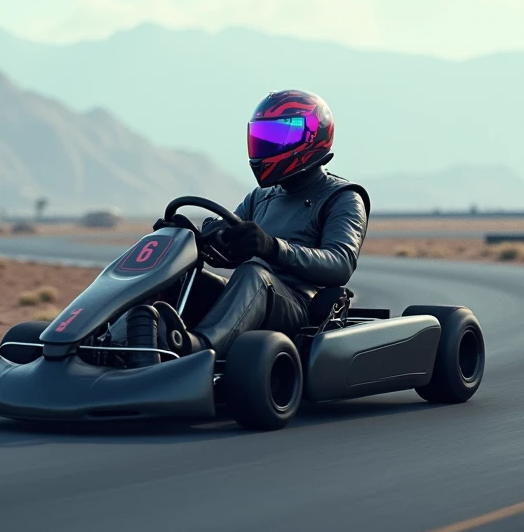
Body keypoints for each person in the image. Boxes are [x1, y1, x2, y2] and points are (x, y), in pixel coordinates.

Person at [146, 89, 370, 357]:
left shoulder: (343, 197)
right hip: (250, 297)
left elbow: (340, 264)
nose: (269, 145)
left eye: (279, 136)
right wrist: (195, 238)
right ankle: (120, 340)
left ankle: (200, 349)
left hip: (300, 307)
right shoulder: (262, 197)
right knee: (177, 276)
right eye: (264, 136)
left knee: (254, 273)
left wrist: (272, 247)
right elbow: (229, 250)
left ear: (312, 137)